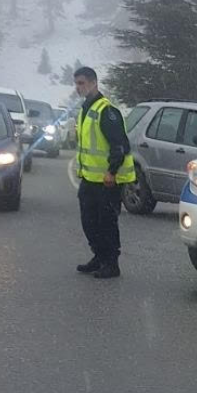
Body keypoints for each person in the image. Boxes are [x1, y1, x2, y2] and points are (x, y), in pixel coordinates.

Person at [73, 66, 135, 279]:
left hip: (107, 180)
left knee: (106, 222)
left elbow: (120, 144)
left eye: (82, 83)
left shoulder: (106, 111)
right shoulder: (85, 109)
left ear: (93, 83)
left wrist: (112, 171)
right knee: (89, 220)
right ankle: (99, 256)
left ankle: (111, 262)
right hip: (90, 179)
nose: (78, 87)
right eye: (77, 83)